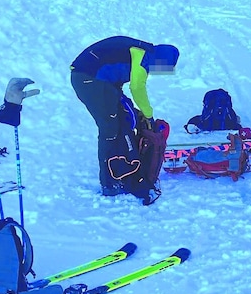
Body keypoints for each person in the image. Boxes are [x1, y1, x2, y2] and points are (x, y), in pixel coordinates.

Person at [70, 36, 179, 203]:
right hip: (88, 79)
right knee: (109, 128)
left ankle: (124, 166)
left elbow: (115, 70)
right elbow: (136, 86)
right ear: (162, 60)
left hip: (96, 79)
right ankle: (109, 183)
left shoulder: (142, 50)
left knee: (126, 116)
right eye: (164, 67)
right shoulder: (143, 57)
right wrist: (148, 114)